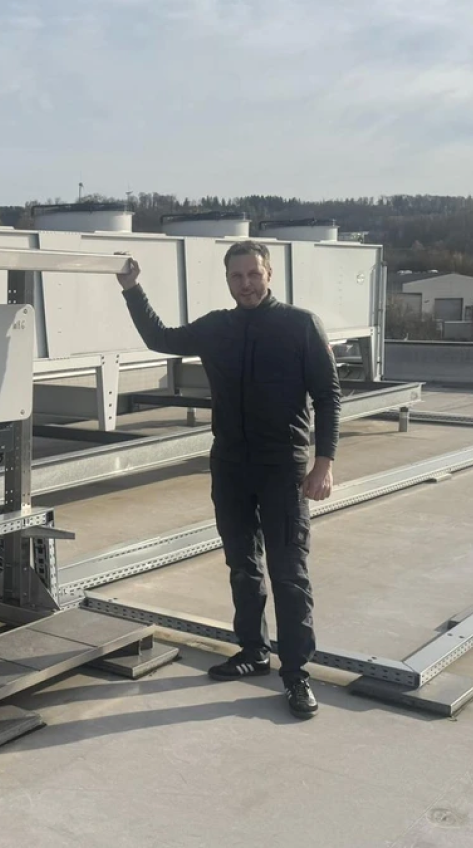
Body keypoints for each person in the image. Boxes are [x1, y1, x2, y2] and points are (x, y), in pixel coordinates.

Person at [115, 240, 340, 719]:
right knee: (242, 565)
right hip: (231, 466)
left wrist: (324, 462)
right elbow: (162, 339)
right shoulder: (218, 327)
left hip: (284, 468)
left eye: (254, 275)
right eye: (237, 277)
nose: (246, 284)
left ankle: (296, 674)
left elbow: (327, 395)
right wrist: (132, 289)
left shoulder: (299, 325)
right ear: (227, 280)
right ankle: (254, 651)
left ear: (269, 274)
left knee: (289, 573)